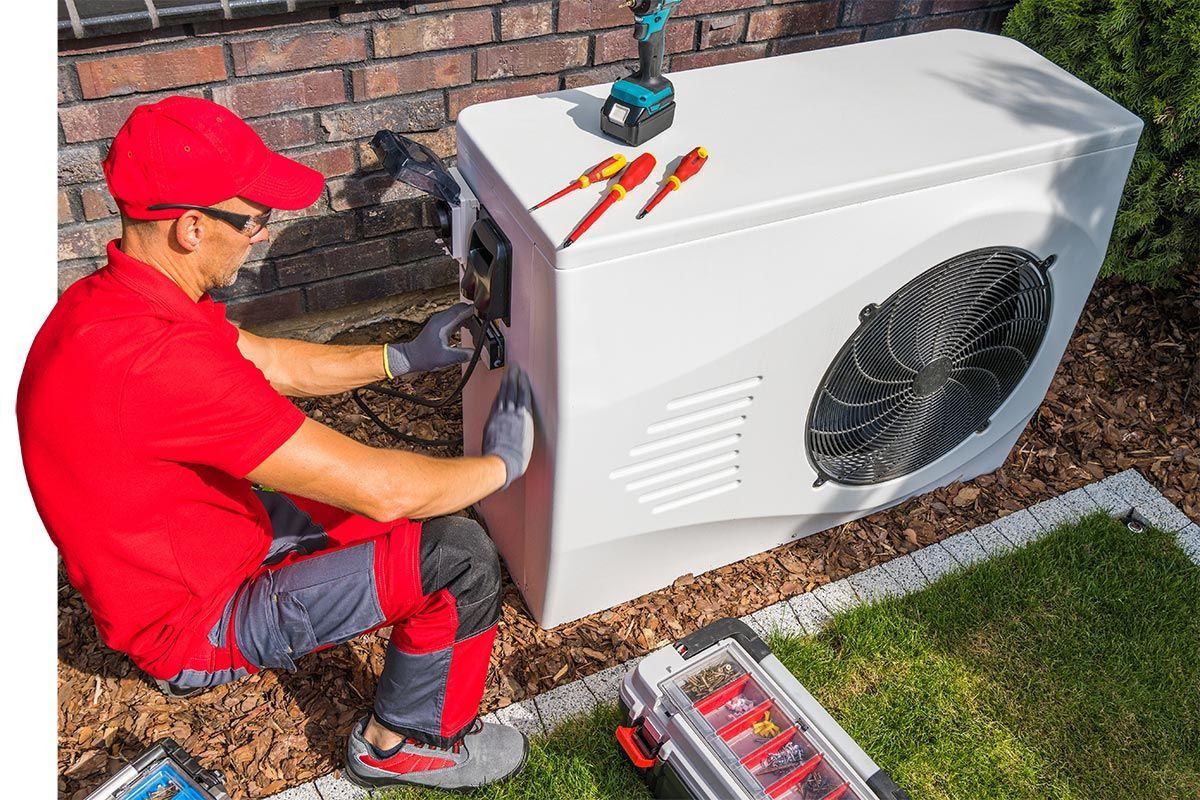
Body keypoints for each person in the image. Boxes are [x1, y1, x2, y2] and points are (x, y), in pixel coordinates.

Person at [18, 96, 536, 791]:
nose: (262, 235)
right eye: (254, 219)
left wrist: (401, 358)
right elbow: (386, 490)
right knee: (461, 556)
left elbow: (268, 360)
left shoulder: (111, 303)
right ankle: (405, 745)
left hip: (191, 553)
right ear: (192, 228)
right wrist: (503, 464)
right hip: (194, 620)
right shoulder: (159, 364)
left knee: (416, 515)